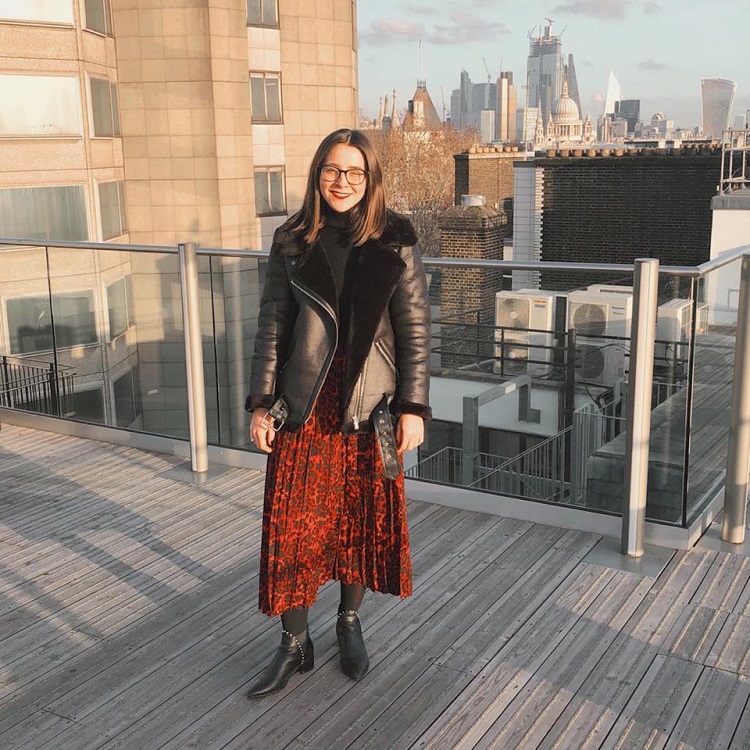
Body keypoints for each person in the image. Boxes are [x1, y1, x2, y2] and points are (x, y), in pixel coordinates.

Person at [244, 128, 431, 698]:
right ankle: (294, 642)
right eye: (331, 169)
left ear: (370, 179)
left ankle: (349, 622)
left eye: (353, 171)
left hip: (370, 407)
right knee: (293, 526)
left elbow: (414, 330)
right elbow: (273, 325)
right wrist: (261, 403)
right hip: (304, 406)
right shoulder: (293, 239)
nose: (341, 181)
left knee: (358, 520)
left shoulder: (396, 239)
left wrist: (413, 407)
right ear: (317, 174)